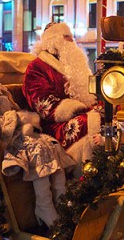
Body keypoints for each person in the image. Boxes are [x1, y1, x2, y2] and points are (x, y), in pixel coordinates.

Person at [0, 50, 75, 227]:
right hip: (5, 141)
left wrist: (23, 120)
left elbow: (16, 110)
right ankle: (44, 206)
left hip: (20, 134)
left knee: (51, 145)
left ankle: (62, 203)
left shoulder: (2, 90)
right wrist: (17, 120)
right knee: (39, 150)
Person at [22, 22, 102, 172]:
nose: (72, 41)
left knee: (106, 117)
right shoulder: (36, 67)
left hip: (78, 114)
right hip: (53, 125)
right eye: (67, 37)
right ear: (54, 40)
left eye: (71, 37)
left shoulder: (70, 64)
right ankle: (84, 173)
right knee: (84, 123)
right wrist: (78, 108)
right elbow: (44, 104)